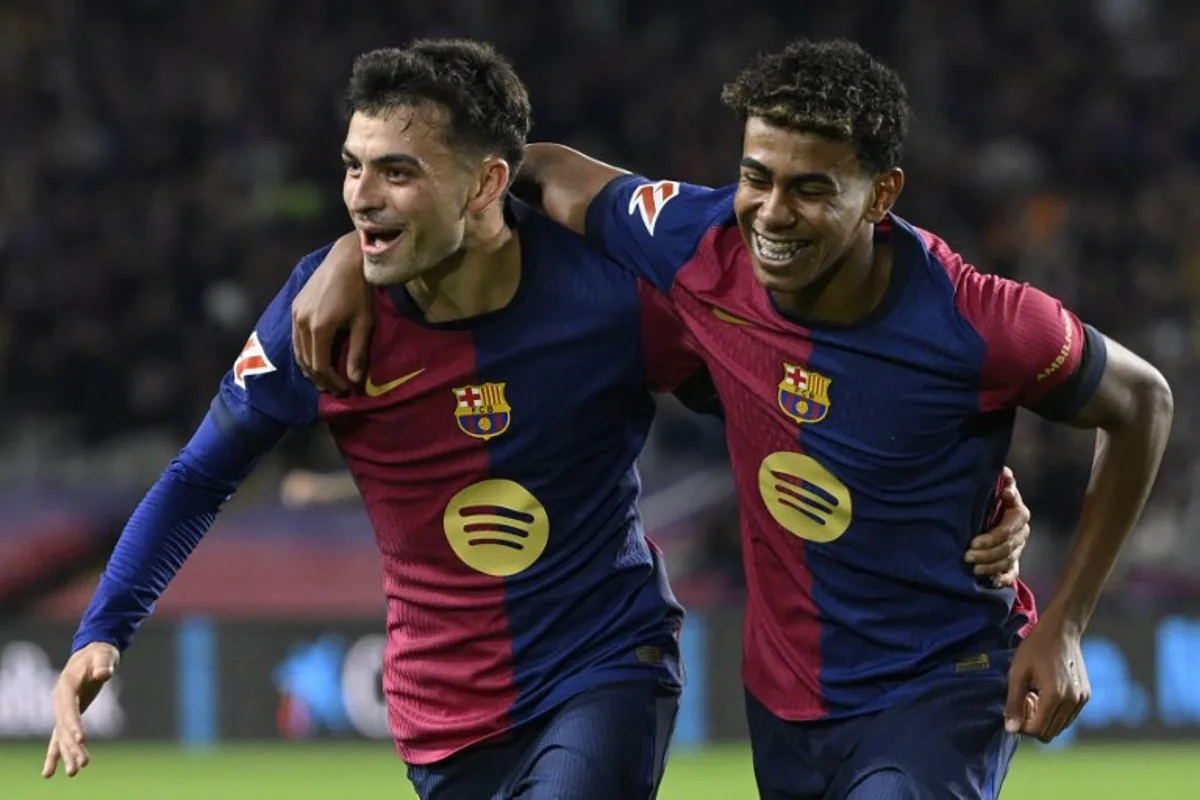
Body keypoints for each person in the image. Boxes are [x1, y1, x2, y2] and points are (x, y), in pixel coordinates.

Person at [293, 39, 1172, 799]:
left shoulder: (983, 321)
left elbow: (1142, 403)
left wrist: (1065, 620)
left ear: (881, 194)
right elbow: (528, 164)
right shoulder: (693, 237)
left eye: (811, 188)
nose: (771, 213)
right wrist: (349, 248)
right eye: (757, 177)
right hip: (786, 700)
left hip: (941, 682)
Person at [45, 40, 714, 800]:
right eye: (353, 164)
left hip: (606, 666)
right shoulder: (318, 320)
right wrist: (105, 627)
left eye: (398, 171)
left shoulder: (612, 297)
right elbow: (199, 476)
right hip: (444, 717)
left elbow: (747, 400)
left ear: (487, 183)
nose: (361, 195)